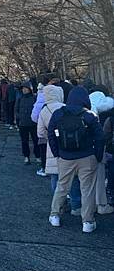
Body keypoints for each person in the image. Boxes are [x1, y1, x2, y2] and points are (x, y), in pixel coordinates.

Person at [48, 86, 104, 233]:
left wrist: (57, 153)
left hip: (65, 157)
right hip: (87, 157)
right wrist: (97, 156)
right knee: (87, 190)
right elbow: (100, 137)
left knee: (62, 186)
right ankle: (87, 221)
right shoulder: (89, 115)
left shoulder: (58, 114)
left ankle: (55, 215)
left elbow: (51, 135)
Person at [37, 85, 81, 213]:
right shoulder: (64, 107)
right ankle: (76, 206)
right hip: (68, 145)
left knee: (55, 177)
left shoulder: (44, 110)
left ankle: (59, 206)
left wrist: (50, 135)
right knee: (72, 177)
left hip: (52, 147)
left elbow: (40, 132)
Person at [89, 89, 114, 214]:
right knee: (102, 176)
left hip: (90, 151)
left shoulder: (90, 113)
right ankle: (103, 203)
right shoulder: (107, 112)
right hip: (104, 150)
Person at [15, 81, 40, 165]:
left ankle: (37, 156)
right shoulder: (20, 99)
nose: (24, 90)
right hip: (23, 123)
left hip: (33, 123)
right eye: (23, 89)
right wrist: (18, 120)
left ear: (30, 89)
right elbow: (16, 110)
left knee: (36, 141)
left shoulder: (34, 98)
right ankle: (26, 157)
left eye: (26, 88)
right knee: (24, 141)